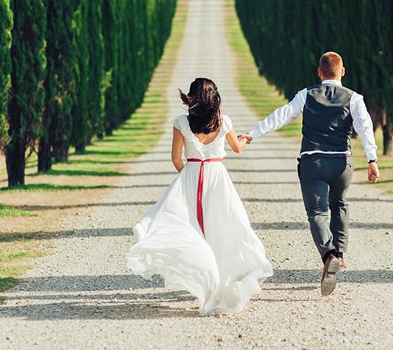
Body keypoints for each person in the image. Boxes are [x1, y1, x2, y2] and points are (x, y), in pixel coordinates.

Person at [125, 78, 273, 316]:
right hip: (218, 178)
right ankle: (223, 280)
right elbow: (237, 148)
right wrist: (245, 139)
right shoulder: (224, 122)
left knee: (187, 226)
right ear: (215, 98)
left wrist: (187, 178)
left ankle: (203, 279)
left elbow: (175, 159)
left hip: (191, 176)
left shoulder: (181, 122)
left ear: (191, 98)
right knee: (226, 228)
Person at [240, 52, 380, 296]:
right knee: (340, 205)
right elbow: (364, 127)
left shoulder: (306, 94)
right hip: (341, 164)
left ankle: (328, 256)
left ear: (319, 72)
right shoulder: (354, 98)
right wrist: (372, 158)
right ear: (342, 72)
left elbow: (281, 115)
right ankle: (340, 253)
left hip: (312, 163)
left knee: (316, 213)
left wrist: (253, 133)